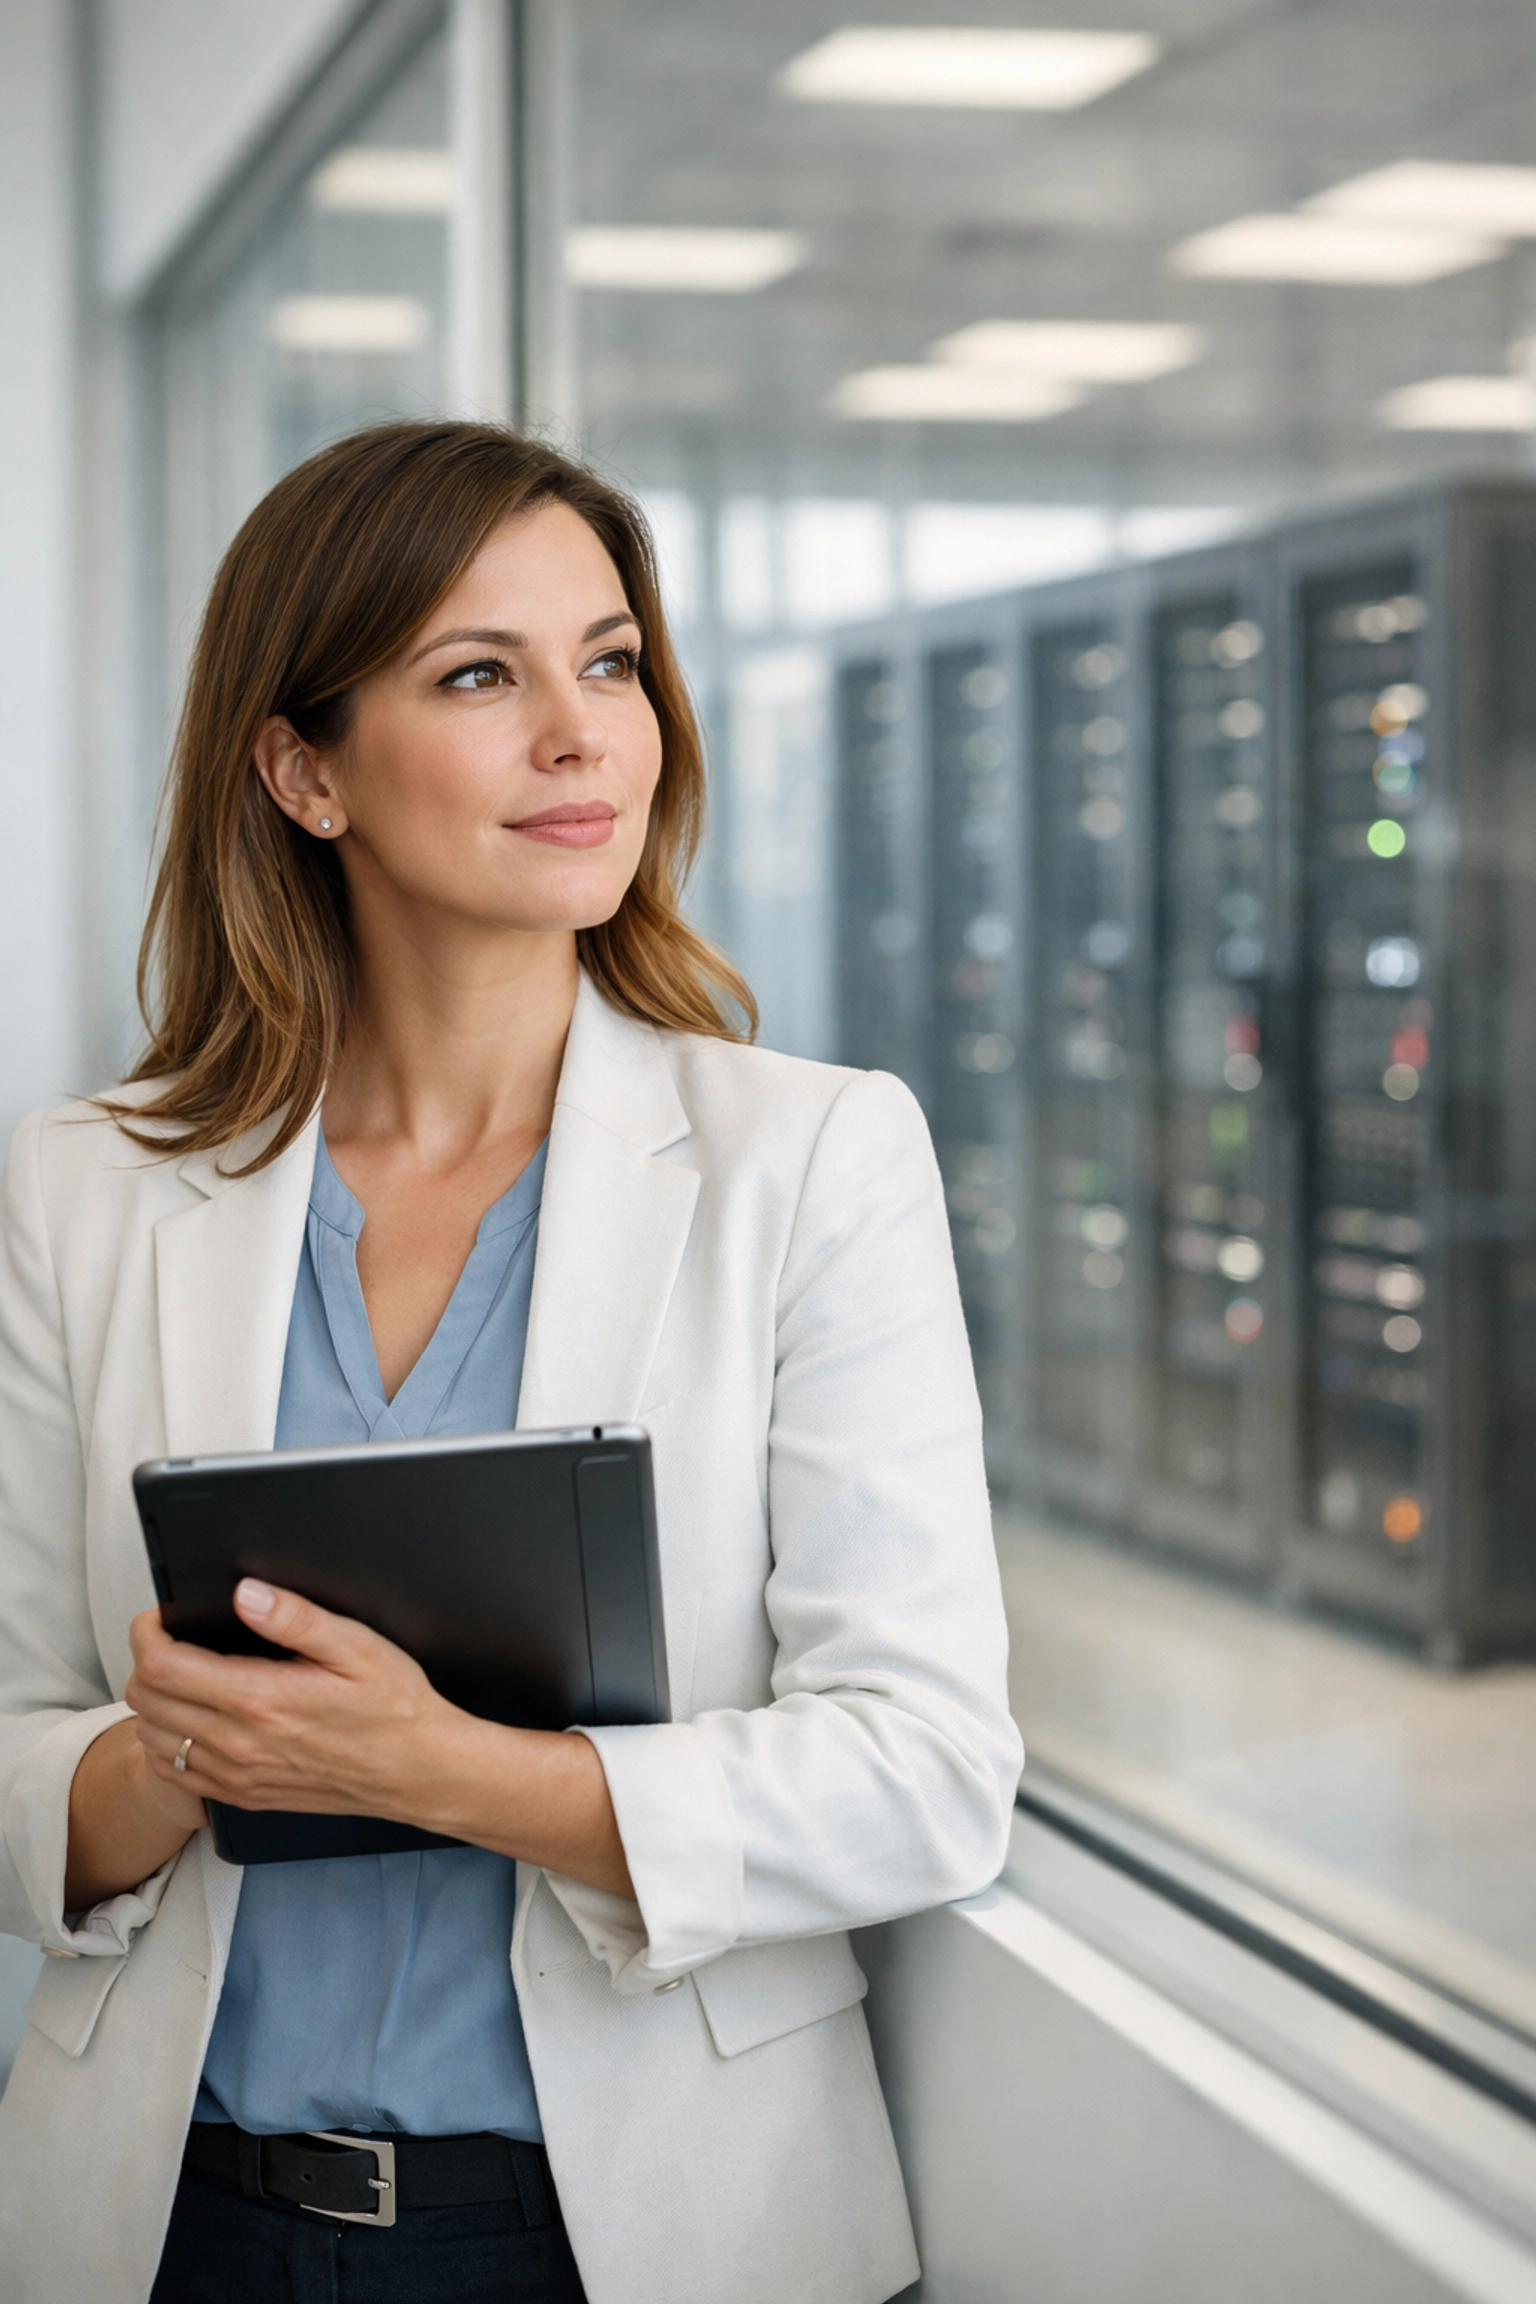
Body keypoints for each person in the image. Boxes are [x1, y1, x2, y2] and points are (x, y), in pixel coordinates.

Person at [0, 419, 1022, 2304]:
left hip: (640, 2237)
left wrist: (450, 1770)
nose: (585, 735)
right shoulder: (83, 1192)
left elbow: (927, 1772)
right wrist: (176, 1761)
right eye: (483, 674)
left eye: (612, 661)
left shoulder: (809, 1159)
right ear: (303, 771)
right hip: (175, 2228)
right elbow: (11, 1735)